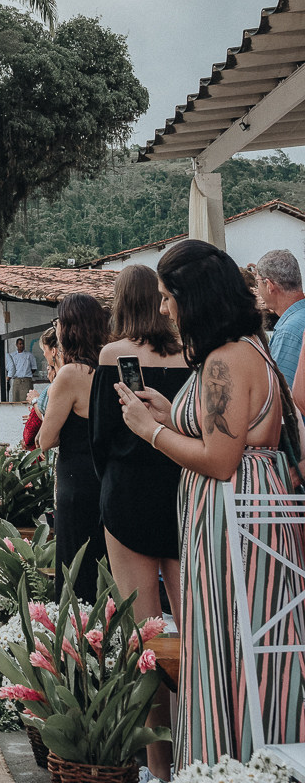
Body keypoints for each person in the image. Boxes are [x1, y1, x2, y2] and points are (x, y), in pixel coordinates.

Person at [117, 240, 305, 770]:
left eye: (167, 296)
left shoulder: (224, 362)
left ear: (193, 296)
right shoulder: (251, 348)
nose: (163, 308)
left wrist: (151, 431)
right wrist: (169, 413)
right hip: (243, 516)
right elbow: (229, 434)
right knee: (244, 642)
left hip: (231, 524)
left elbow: (221, 460)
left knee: (228, 641)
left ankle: (230, 762)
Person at [89, 265, 190, 782]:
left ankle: (158, 768)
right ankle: (201, 749)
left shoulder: (114, 355)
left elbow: (101, 438)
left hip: (128, 496)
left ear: (122, 302)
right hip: (182, 496)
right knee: (193, 631)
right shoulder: (190, 353)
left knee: (144, 638)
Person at [37, 294, 108, 604]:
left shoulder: (71, 374)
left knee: (75, 573)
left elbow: (46, 439)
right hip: (106, 476)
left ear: (69, 327)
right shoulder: (110, 366)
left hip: (76, 480)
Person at [254, 249, 305, 383]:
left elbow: (282, 391)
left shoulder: (287, 332)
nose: (257, 289)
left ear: (269, 285)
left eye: (257, 282)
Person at [6, 336, 38, 401]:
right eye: (20, 344)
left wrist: (26, 373)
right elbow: (9, 368)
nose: (22, 345)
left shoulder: (29, 355)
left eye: (23, 344)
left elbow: (34, 367)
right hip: (16, 380)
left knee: (26, 399)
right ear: (16, 345)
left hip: (26, 380)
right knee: (16, 399)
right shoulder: (12, 355)